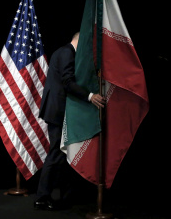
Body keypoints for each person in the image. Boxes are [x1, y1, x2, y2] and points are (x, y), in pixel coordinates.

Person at [35, 32, 105, 210]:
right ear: (79, 41)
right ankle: (42, 197)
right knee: (56, 154)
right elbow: (67, 82)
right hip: (57, 110)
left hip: (57, 109)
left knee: (59, 155)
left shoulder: (62, 52)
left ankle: (56, 195)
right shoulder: (67, 52)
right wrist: (90, 96)